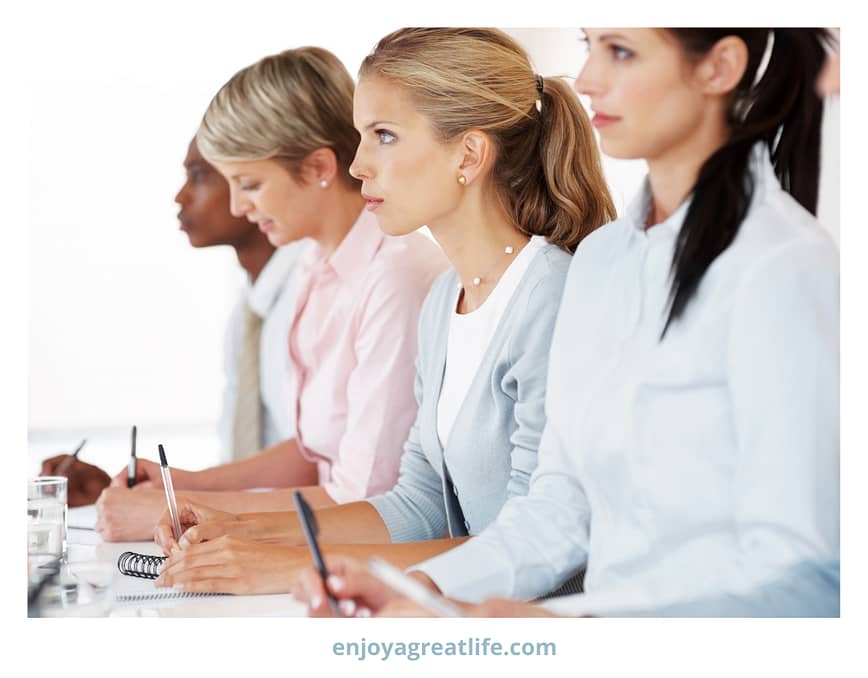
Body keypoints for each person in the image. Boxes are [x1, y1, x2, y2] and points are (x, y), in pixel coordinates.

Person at [292, 27, 840, 617]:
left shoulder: (784, 266)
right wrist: (422, 588)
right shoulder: (603, 261)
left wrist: (567, 626)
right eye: (589, 46)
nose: (586, 81)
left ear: (719, 68)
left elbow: (806, 575)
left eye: (621, 52)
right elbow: (558, 509)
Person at [150, 27, 615, 595]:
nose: (358, 165)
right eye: (361, 136)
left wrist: (297, 566)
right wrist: (242, 529)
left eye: (384, 136)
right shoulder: (447, 300)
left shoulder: (550, 296)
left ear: (468, 153)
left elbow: (531, 542)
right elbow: (416, 504)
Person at [97, 46, 448, 542]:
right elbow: (314, 450)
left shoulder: (396, 278)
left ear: (319, 168)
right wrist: (183, 484)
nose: (240, 207)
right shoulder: (314, 262)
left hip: (365, 550)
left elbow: (363, 498)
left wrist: (180, 509)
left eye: (250, 184)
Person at [42, 137, 303, 509]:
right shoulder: (247, 314)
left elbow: (324, 468)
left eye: (198, 176)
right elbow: (249, 477)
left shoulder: (318, 296)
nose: (180, 196)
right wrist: (119, 494)